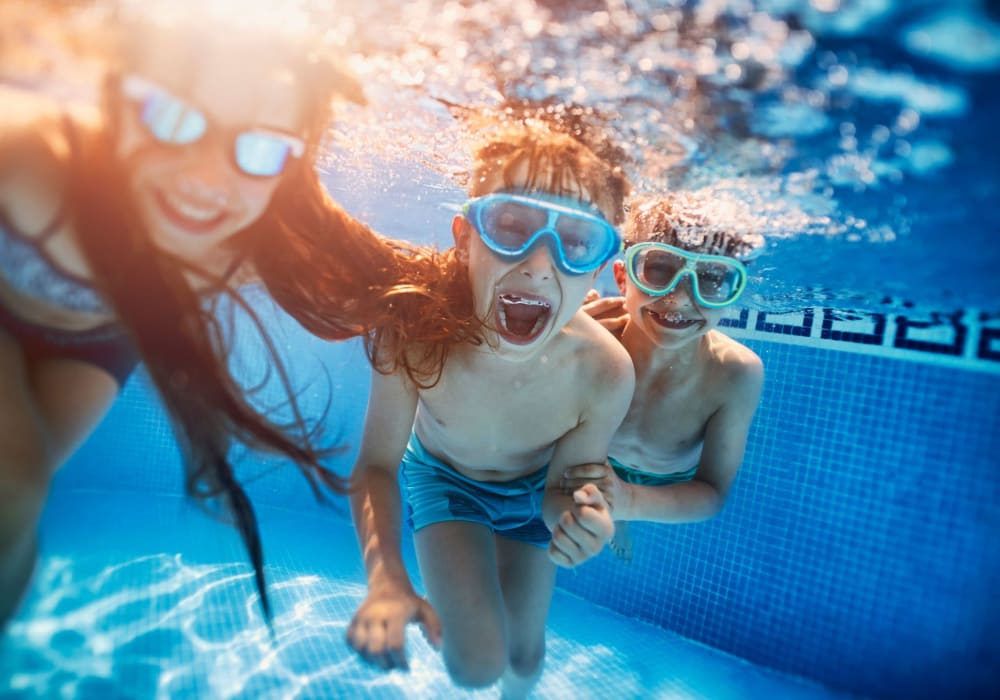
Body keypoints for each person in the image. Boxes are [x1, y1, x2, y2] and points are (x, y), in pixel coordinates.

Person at [0, 3, 473, 631]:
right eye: (171, 117)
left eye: (258, 147)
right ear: (115, 98)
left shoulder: (251, 236)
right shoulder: (26, 156)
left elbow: (408, 281)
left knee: (12, 518)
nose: (207, 175)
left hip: (95, 344)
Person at [345, 120, 635, 698]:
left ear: (598, 267)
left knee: (524, 661)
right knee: (474, 665)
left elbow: (563, 492)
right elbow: (377, 463)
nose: (537, 262)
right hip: (446, 483)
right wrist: (386, 580)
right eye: (510, 225)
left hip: (533, 495)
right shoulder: (416, 333)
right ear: (465, 236)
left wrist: (582, 521)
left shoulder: (604, 372)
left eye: (576, 240)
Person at [569, 194, 765, 560]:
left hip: (666, 479)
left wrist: (628, 500)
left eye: (709, 278)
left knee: (624, 504)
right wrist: (561, 337)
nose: (677, 298)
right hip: (598, 460)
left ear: (730, 296)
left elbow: (711, 492)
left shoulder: (736, 372)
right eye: (659, 269)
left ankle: (624, 513)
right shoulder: (592, 337)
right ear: (623, 278)